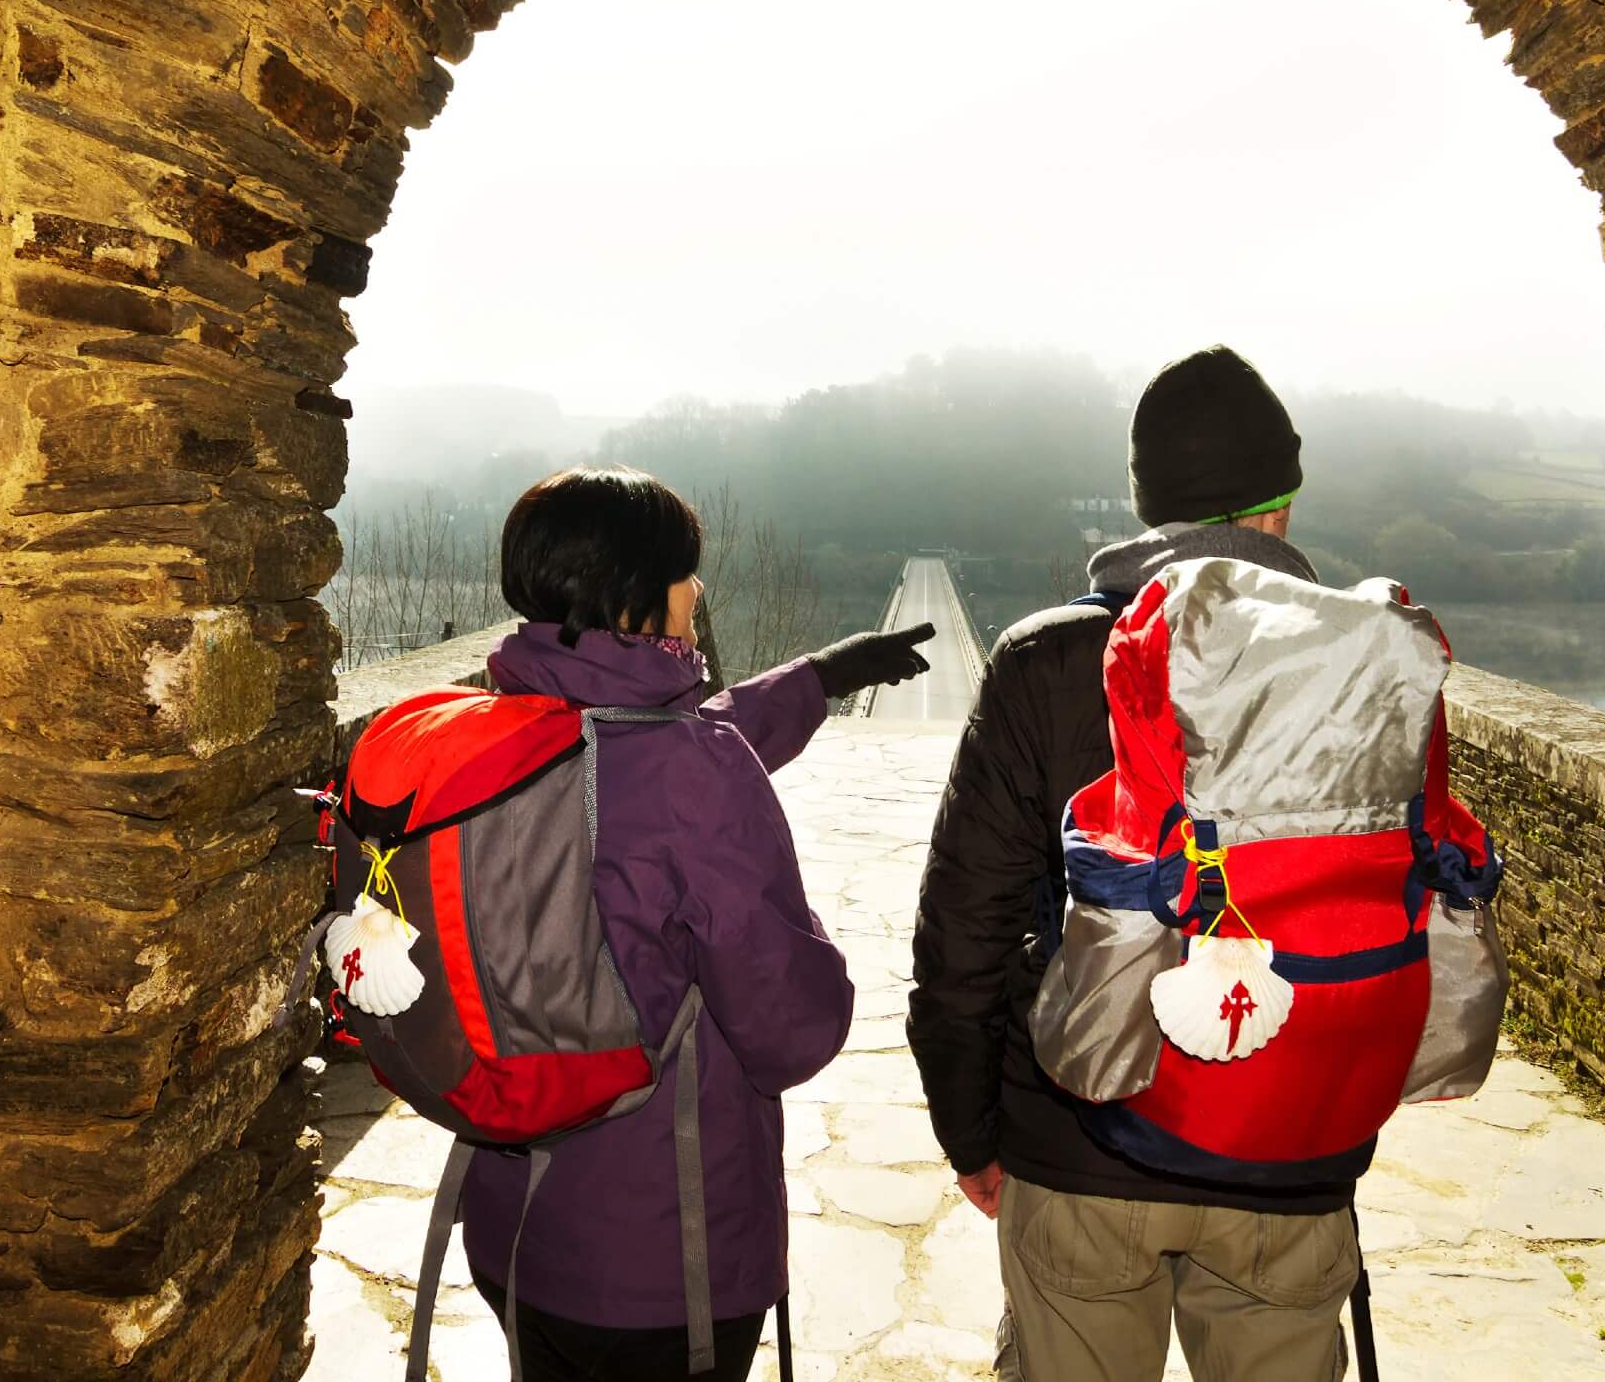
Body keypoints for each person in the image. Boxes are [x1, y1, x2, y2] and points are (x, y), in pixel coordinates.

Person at [907, 348, 1360, 1381]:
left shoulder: (1045, 661)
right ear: (1280, 507)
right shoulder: (1366, 658)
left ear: (1141, 505)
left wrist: (970, 1131)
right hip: (1289, 1143)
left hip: (1081, 1137)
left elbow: (964, 929)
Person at [463, 466, 935, 1381]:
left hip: (513, 1227)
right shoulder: (693, 771)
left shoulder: (497, 732)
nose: (698, 593)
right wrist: (812, 933)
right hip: (659, 1269)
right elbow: (790, 1032)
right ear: (644, 597)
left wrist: (820, 676)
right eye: (687, 574)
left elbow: (649, 754)